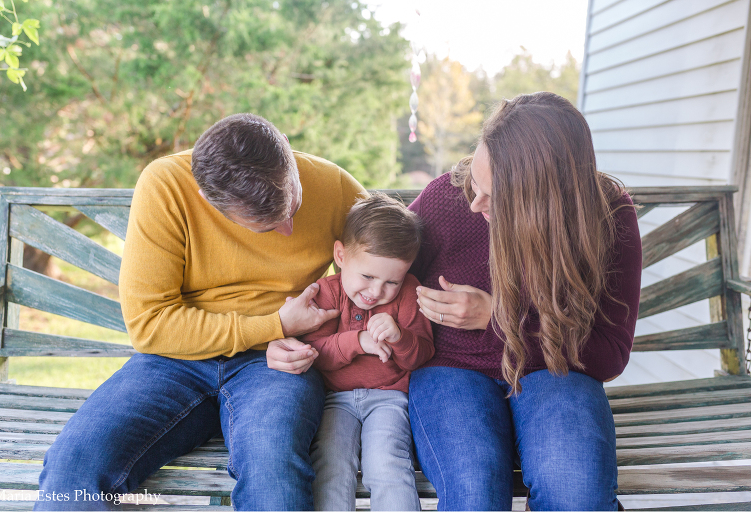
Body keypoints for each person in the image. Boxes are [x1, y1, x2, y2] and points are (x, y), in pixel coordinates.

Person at [35, 113, 367, 511]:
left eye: (293, 204)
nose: (289, 230)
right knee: (71, 468)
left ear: (286, 151)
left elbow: (382, 280)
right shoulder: (167, 185)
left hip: (277, 366)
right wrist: (273, 325)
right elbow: (150, 325)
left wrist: (307, 338)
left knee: (274, 474)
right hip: (173, 363)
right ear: (207, 199)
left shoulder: (333, 184)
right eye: (265, 226)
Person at [409, 92, 642, 511]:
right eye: (473, 184)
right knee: (474, 496)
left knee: (577, 494)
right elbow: (377, 278)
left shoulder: (606, 216)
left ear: (543, 204)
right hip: (451, 369)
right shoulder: (447, 199)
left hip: (554, 370)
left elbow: (609, 354)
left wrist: (496, 319)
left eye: (491, 196)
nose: (473, 202)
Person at [301, 194, 434, 511]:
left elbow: (423, 354)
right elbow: (314, 353)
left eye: (391, 281)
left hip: (389, 397)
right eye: (368, 276)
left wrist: (400, 337)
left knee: (387, 463)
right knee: (331, 464)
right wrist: (357, 341)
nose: (376, 292)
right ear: (341, 255)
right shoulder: (327, 293)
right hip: (335, 399)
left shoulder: (407, 293)